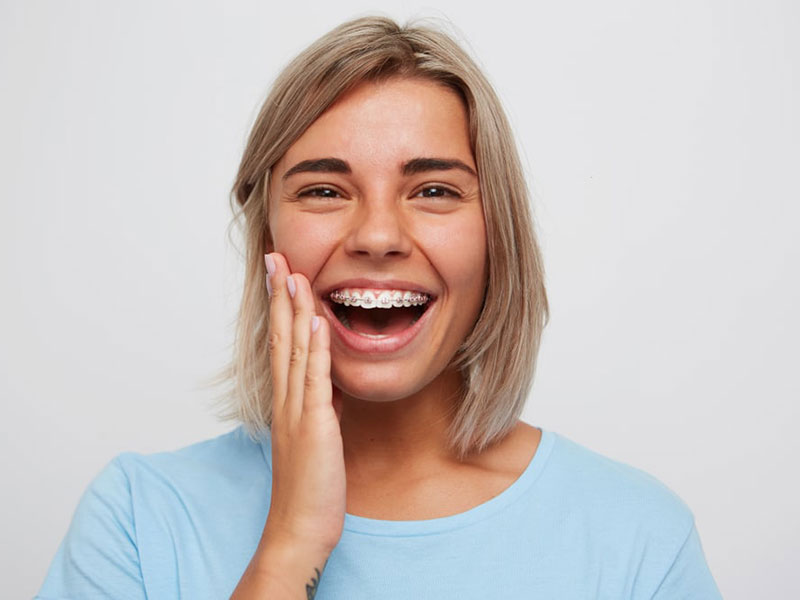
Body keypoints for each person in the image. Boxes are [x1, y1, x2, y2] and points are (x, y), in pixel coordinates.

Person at [36, 16, 722, 600]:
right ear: (267, 235)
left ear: (496, 236)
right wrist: (290, 544)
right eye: (325, 192)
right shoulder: (135, 517)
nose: (378, 237)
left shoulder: (639, 539)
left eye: (434, 191)